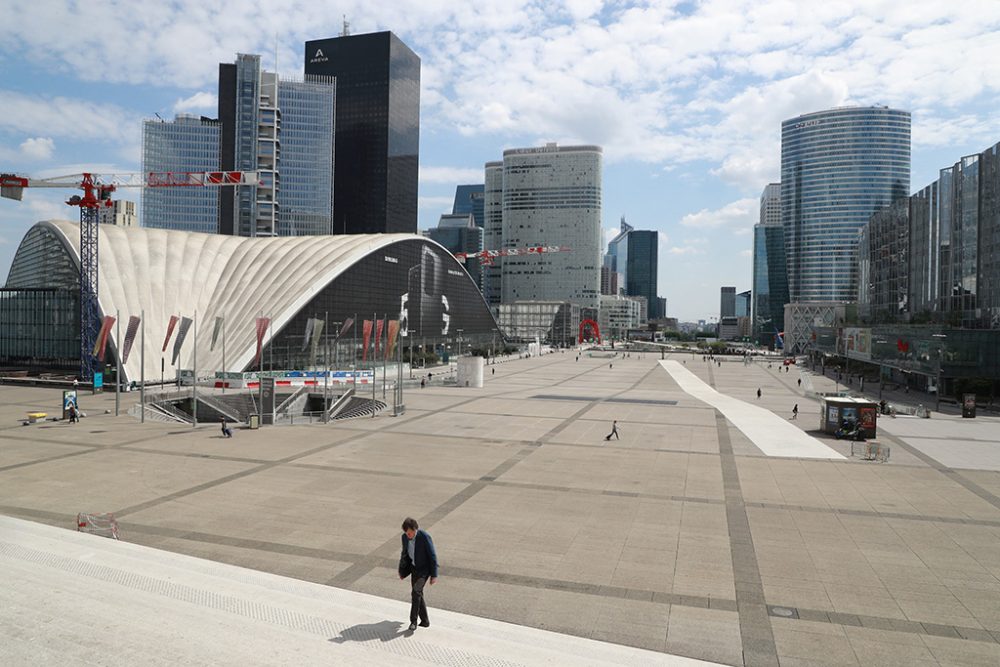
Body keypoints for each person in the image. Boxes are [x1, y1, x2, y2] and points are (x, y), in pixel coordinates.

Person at [398, 517, 438, 632]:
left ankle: (413, 621)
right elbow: (404, 554)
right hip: (414, 569)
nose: (408, 536)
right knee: (418, 594)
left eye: (410, 533)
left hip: (424, 571)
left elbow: (432, 555)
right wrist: (402, 571)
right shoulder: (404, 537)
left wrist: (434, 575)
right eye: (406, 533)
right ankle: (425, 621)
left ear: (415, 529)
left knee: (415, 592)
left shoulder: (424, 537)